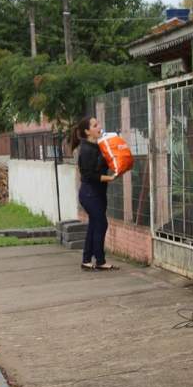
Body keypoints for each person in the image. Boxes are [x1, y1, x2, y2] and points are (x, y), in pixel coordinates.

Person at [72, 116, 118, 271]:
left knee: (94, 225)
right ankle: (100, 260)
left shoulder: (98, 146)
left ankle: (86, 260)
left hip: (98, 193)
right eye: (95, 125)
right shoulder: (85, 150)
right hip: (89, 194)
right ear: (87, 131)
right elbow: (87, 176)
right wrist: (109, 178)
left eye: (98, 124)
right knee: (101, 224)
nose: (99, 126)